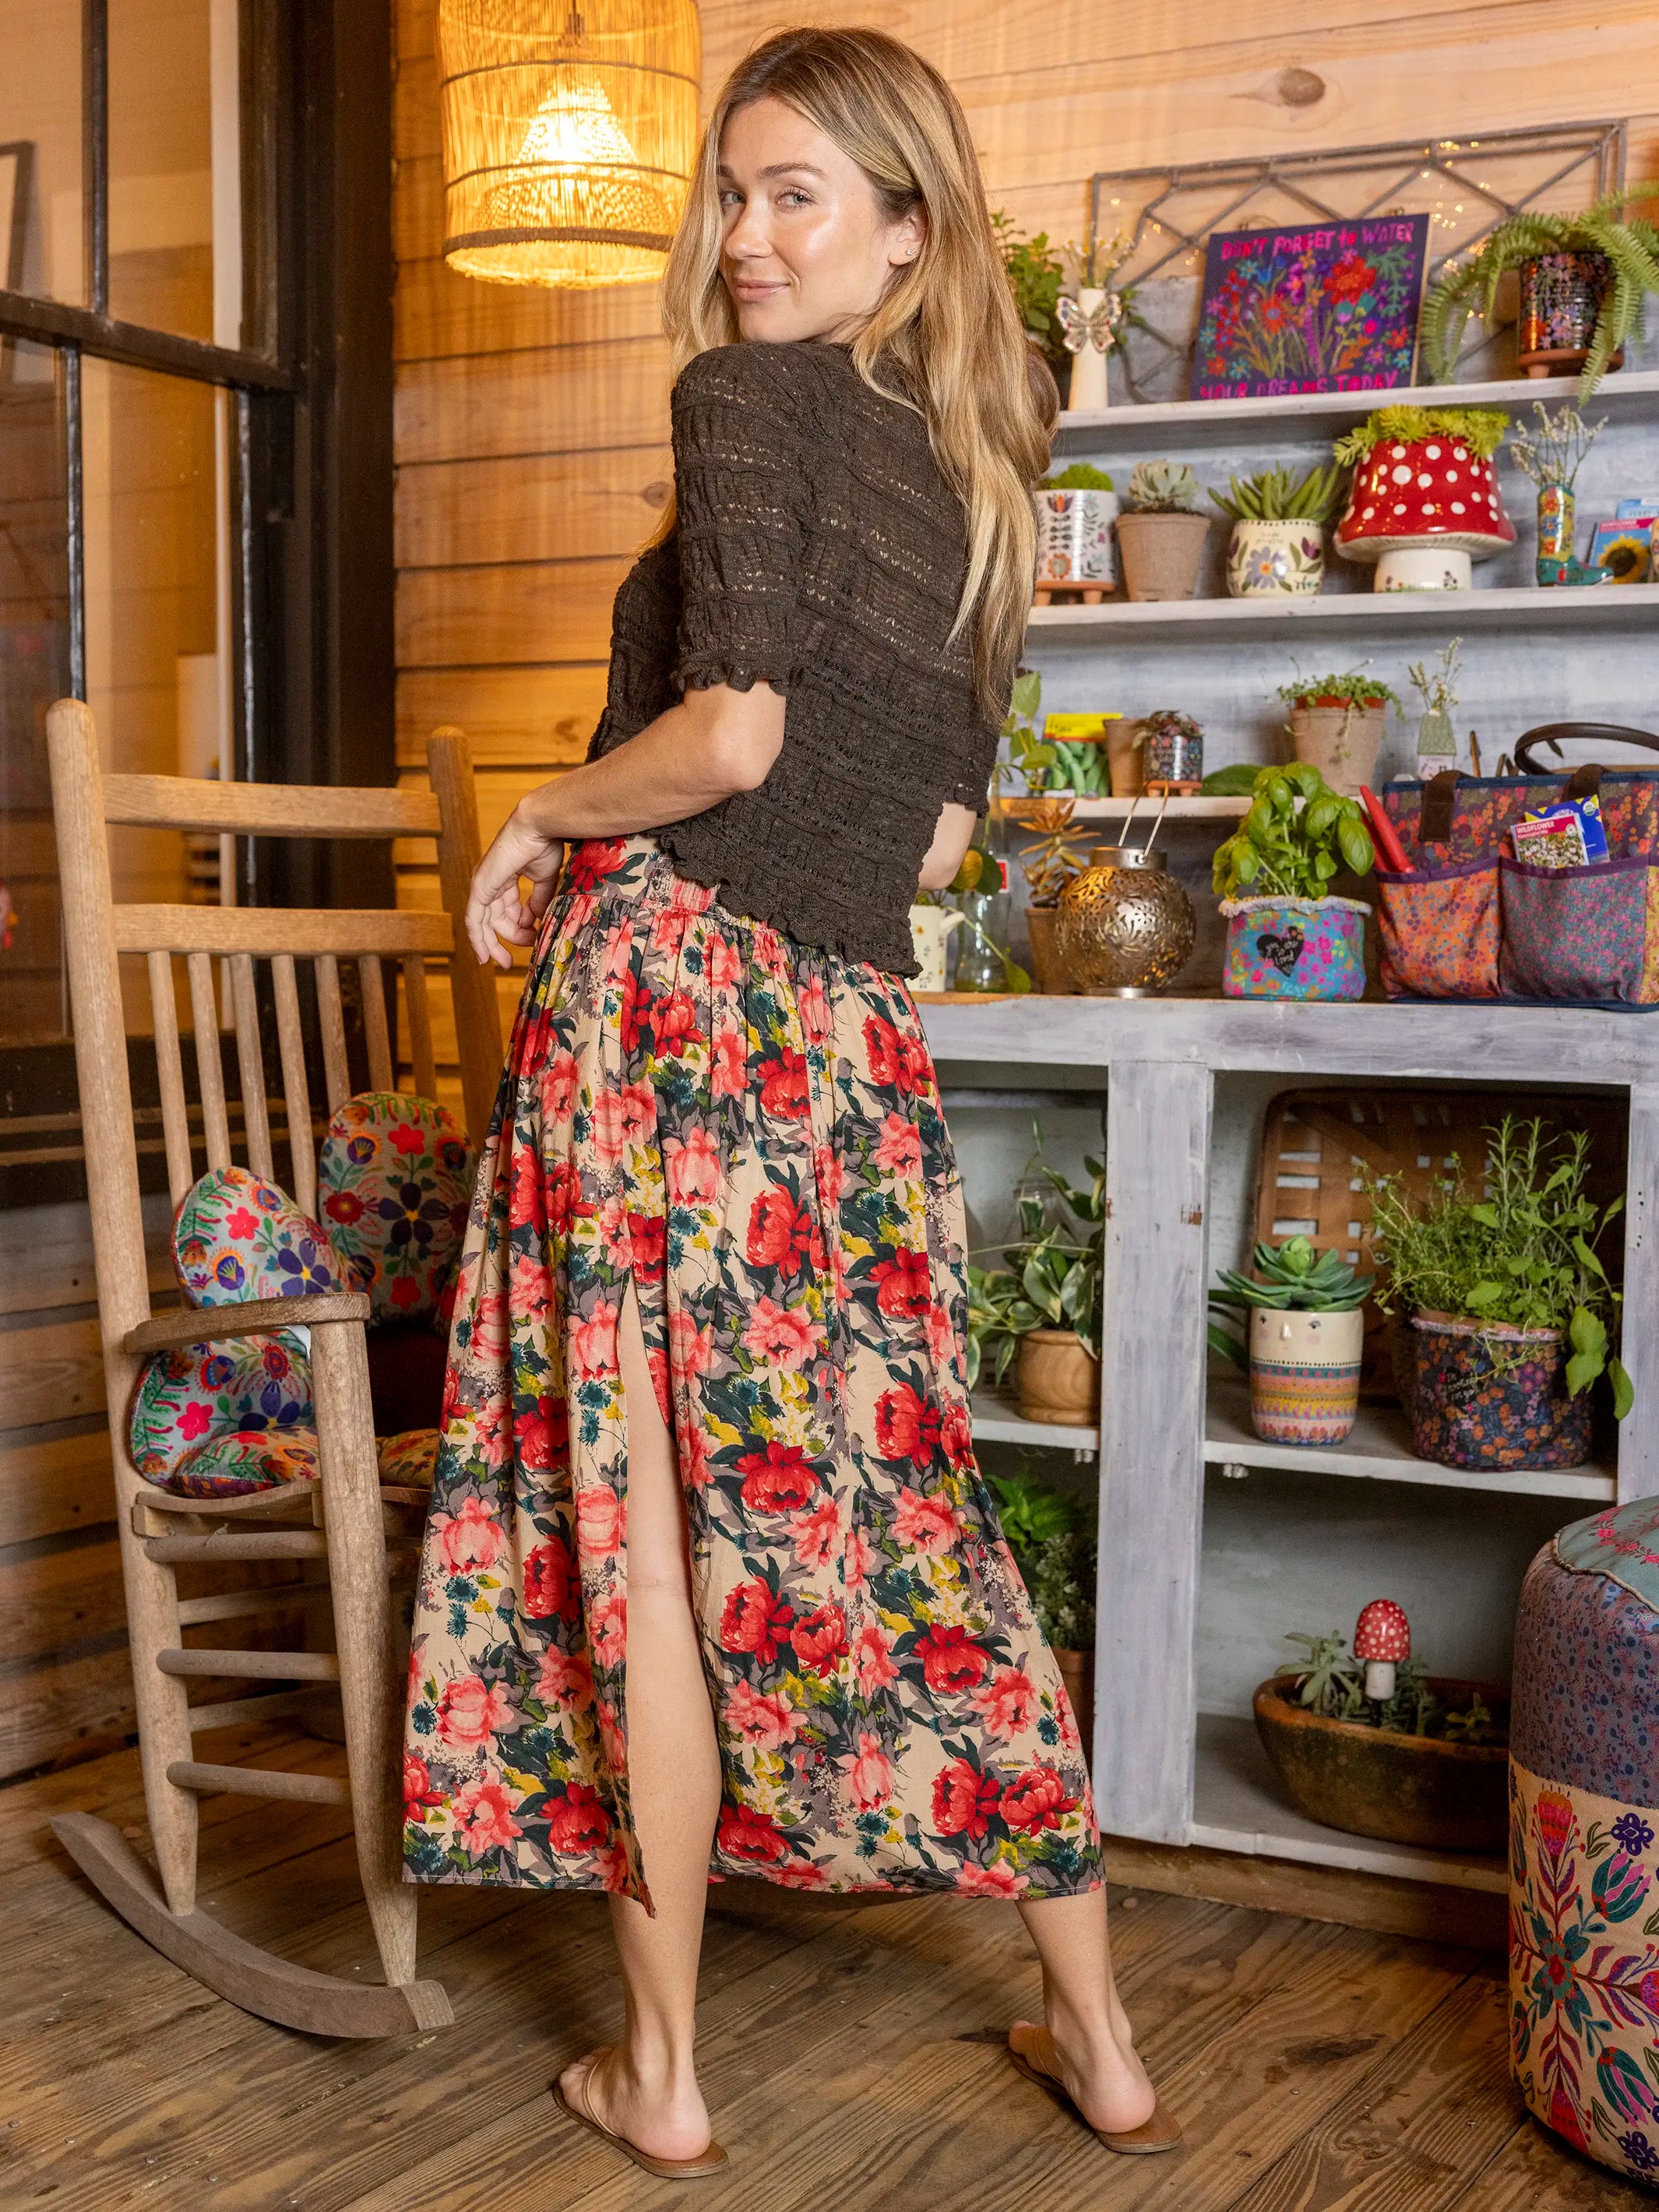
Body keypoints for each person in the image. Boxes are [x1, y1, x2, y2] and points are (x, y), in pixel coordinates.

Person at [401, 23, 1178, 2178]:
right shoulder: (982, 486)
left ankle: (660, 2075)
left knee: (648, 1548)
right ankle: (1102, 2037)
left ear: (906, 229)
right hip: (845, 1044)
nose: (745, 239)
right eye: (731, 195)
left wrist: (540, 816)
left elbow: (729, 739)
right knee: (909, 1506)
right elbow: (935, 845)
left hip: (670, 1017)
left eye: (794, 196)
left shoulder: (748, 404)